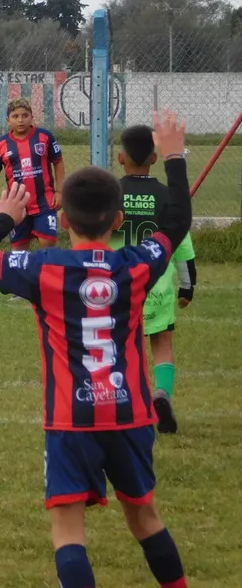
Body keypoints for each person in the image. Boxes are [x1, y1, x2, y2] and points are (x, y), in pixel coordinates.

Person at [0, 109, 192, 588]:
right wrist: (174, 157)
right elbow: (177, 221)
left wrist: (5, 217)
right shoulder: (136, 266)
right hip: (130, 413)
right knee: (145, 518)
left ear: (63, 218)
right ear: (118, 219)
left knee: (69, 533)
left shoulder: (43, 268)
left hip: (71, 419)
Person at [115, 125, 197, 435]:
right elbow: (183, 246)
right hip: (157, 287)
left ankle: (125, 404)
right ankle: (161, 394)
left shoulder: (111, 194)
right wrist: (188, 285)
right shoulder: (166, 197)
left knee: (120, 348)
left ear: (120, 158)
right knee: (162, 344)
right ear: (154, 157)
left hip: (118, 288)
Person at [0, 97, 66, 251]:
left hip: (45, 201)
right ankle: (24, 268)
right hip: (17, 205)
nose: (20, 120)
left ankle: (48, 267)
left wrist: (59, 191)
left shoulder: (44, 137)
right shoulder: (1, 144)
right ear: (8, 120)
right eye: (15, 116)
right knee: (19, 249)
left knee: (47, 243)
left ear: (32, 117)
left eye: (25, 115)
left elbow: (58, 161)